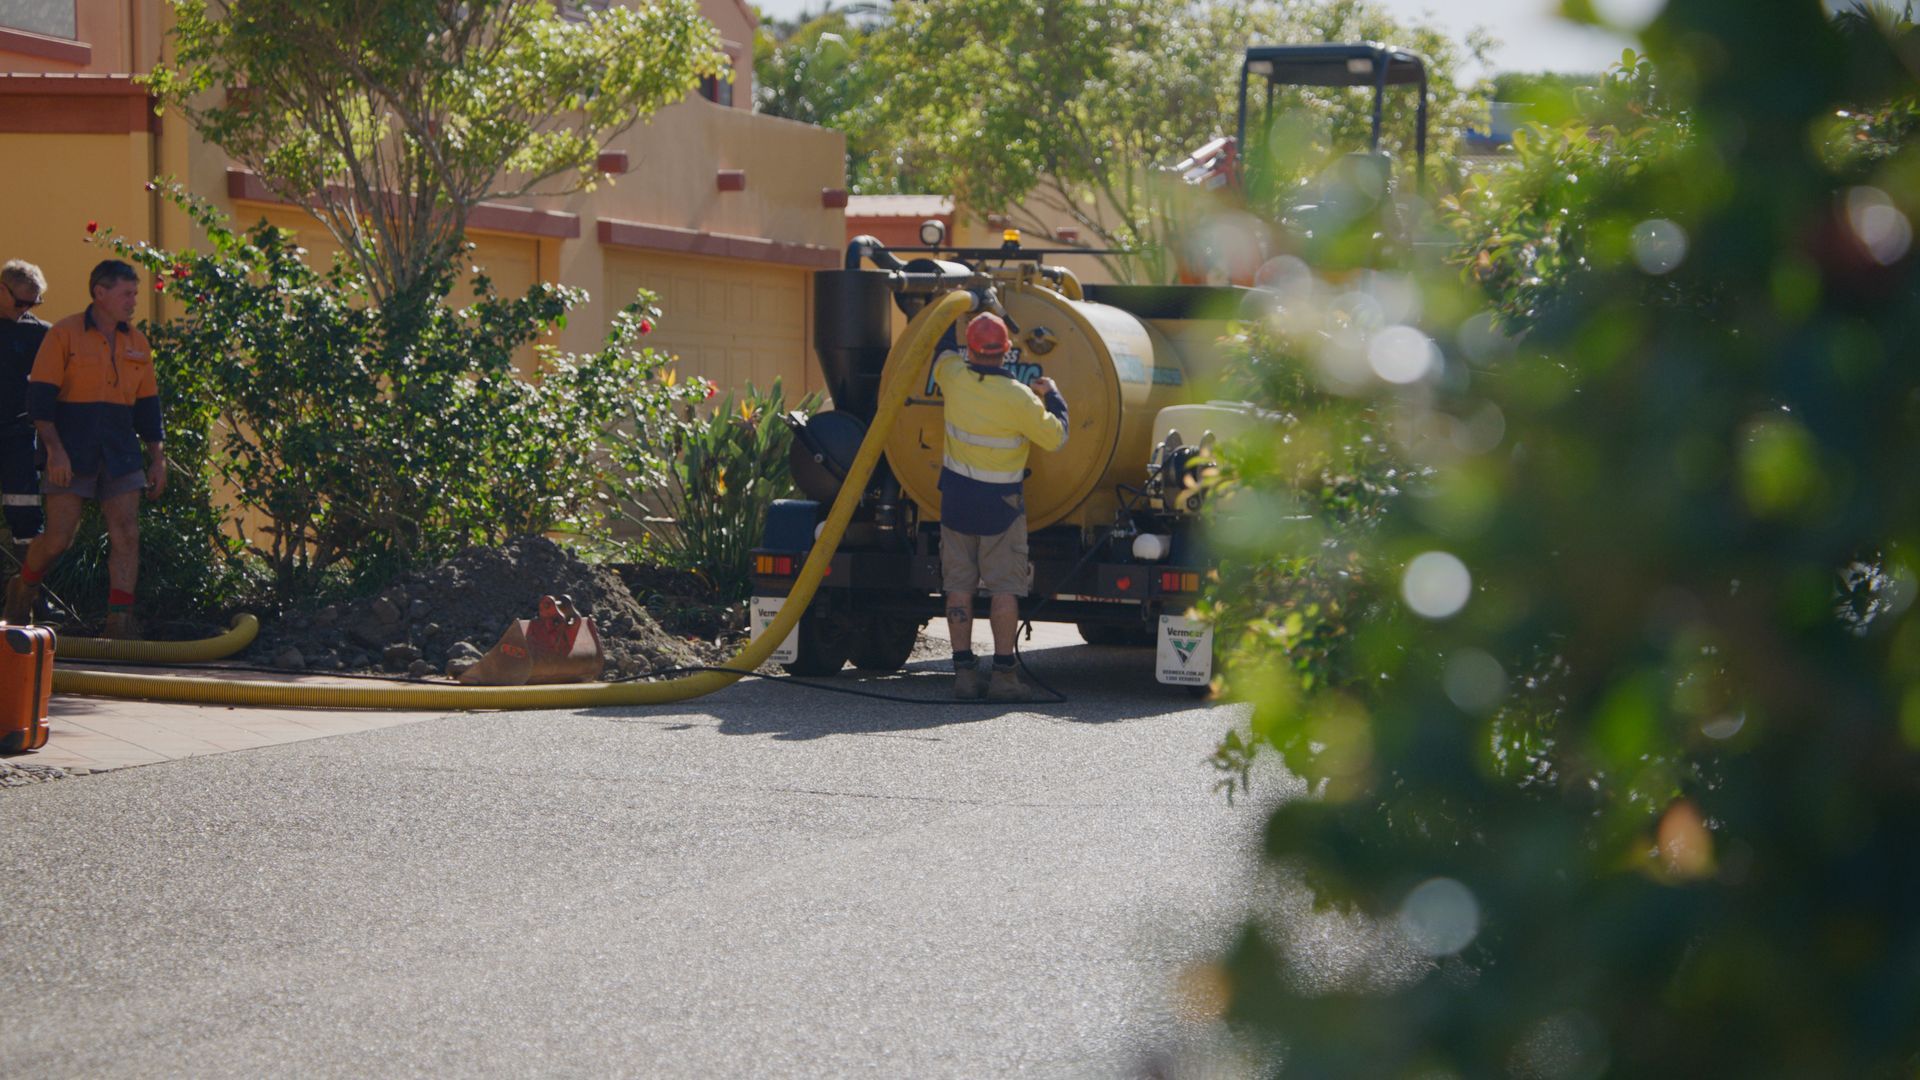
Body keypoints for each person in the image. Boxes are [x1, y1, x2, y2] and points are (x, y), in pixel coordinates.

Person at [1, 260, 167, 636]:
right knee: (59, 538)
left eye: (135, 294)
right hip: (71, 449)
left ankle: (119, 622)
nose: (133, 301)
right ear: (100, 293)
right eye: (127, 293)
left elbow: (148, 408)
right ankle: (22, 586)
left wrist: (157, 457)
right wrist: (55, 451)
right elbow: (40, 400)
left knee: (127, 533)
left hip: (120, 451)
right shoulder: (63, 335)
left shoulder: (138, 343)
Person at [934, 310, 1068, 701]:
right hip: (1001, 508)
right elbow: (1056, 437)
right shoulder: (1019, 397)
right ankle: (1004, 676)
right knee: (1004, 590)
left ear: (970, 349)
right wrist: (1053, 395)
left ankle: (963, 675)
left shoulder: (954, 378)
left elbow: (940, 349)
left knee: (958, 588)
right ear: (1006, 351)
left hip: (956, 502)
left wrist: (952, 306)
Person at [0, 260, 49, 548]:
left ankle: (28, 588)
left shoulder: (40, 335)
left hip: (18, 436)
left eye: (34, 304)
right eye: (21, 303)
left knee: (26, 516)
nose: (26, 310)